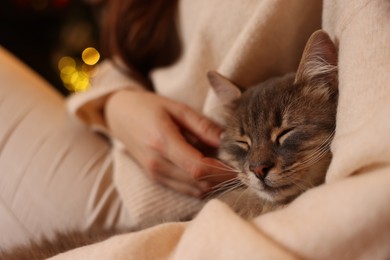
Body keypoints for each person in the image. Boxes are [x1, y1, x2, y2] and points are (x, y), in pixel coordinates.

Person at [0, 0, 323, 250]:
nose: (259, 165)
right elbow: (117, 64)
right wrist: (116, 103)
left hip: (160, 204)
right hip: (114, 143)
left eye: (285, 136)